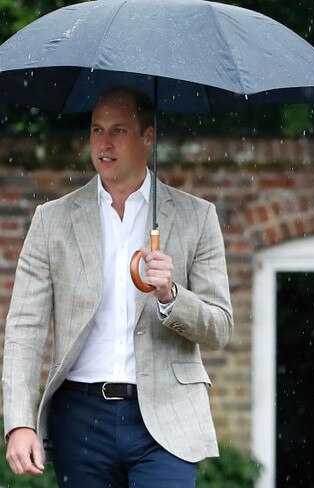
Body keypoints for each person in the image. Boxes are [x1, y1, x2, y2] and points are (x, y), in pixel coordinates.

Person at [2, 85, 233, 487]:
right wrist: (19, 422)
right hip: (80, 419)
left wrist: (172, 296)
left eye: (119, 131)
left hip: (168, 416)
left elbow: (220, 327)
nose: (104, 144)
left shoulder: (197, 217)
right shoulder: (51, 221)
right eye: (96, 130)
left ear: (148, 137)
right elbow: (24, 329)